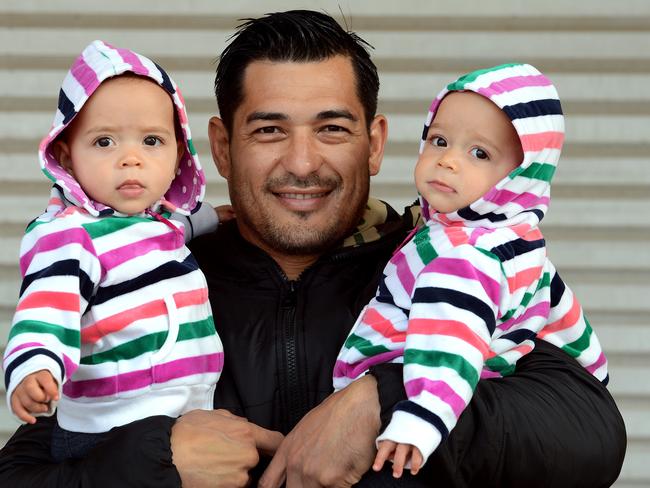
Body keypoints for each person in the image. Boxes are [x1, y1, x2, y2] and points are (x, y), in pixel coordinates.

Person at [0, 11, 626, 488]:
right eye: (269, 130)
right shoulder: (144, 279)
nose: (302, 164)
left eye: (332, 128)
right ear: (220, 148)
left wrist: (381, 400)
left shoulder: (447, 265)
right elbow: (24, 472)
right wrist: (158, 460)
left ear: (375, 143)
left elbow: (589, 433)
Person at [333, 63, 608, 478]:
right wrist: (593, 370)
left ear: (520, 176)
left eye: (479, 153)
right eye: (439, 140)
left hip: (406, 419)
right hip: (461, 403)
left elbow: (449, 341)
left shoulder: (462, 256)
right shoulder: (517, 241)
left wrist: (420, 417)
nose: (448, 162)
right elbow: (563, 313)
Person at [2, 40, 235, 462]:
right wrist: (33, 365)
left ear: (179, 152)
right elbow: (46, 308)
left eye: (151, 140)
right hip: (109, 429)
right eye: (105, 142)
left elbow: (174, 230)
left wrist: (213, 218)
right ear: (66, 155)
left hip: (181, 413)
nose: (131, 159)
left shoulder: (154, 220)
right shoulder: (69, 235)